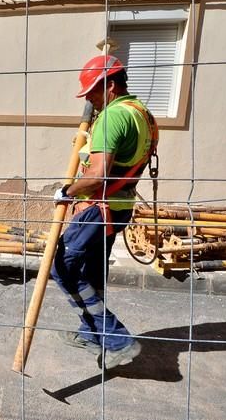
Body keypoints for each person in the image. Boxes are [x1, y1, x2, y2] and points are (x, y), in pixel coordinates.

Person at [51, 55, 158, 370]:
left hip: (100, 207)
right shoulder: (142, 114)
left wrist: (66, 191)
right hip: (119, 207)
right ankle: (91, 332)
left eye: (93, 93)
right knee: (93, 273)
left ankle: (116, 338)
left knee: (63, 266)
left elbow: (98, 175)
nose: (89, 100)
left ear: (110, 86)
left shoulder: (113, 118)